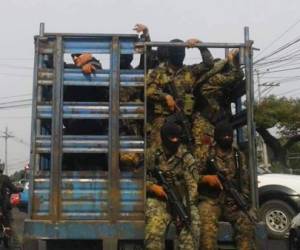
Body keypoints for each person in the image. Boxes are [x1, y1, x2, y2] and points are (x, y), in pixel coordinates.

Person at [146, 38, 214, 148]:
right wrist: (165, 96)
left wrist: (200, 45)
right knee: (157, 145)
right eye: (177, 52)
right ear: (170, 53)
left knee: (194, 139)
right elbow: (149, 91)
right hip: (164, 117)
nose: (179, 55)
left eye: (182, 52)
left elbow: (209, 64)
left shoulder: (189, 71)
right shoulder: (159, 72)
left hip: (185, 117)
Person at [197, 122, 256, 250]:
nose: (227, 138)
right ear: (217, 137)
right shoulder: (206, 154)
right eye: (224, 136)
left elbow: (244, 182)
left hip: (232, 202)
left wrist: (242, 199)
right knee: (206, 226)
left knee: (246, 220)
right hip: (211, 201)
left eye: (229, 136)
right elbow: (191, 176)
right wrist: (206, 179)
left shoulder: (238, 156)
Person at [145, 122, 200, 250]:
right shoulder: (151, 154)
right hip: (159, 200)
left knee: (191, 225)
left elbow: (193, 185)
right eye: (172, 138)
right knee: (154, 228)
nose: (175, 141)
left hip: (182, 199)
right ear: (164, 137)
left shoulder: (186, 157)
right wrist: (152, 187)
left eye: (177, 138)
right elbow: (138, 178)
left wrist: (184, 207)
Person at [192, 49, 244, 165]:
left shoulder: (211, 81)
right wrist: (230, 59)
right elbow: (237, 75)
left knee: (220, 155)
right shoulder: (213, 79)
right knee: (202, 157)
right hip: (204, 123)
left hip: (212, 122)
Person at [0, 164, 23, 230]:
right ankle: (8, 229)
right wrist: (20, 189)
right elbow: (14, 189)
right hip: (3, 204)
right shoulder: (4, 178)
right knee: (8, 217)